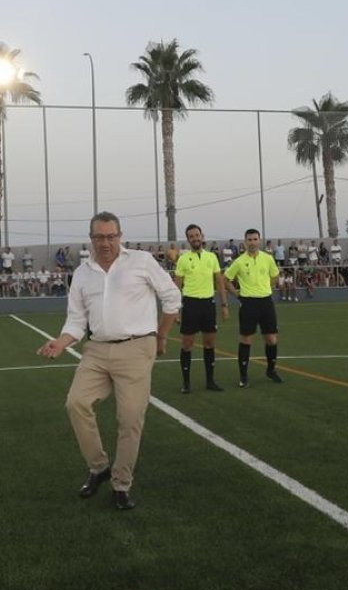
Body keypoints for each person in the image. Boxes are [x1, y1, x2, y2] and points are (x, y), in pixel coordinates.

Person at [37, 212, 180, 510]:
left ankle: (121, 484)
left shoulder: (141, 261)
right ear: (91, 239)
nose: (106, 242)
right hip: (97, 350)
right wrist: (61, 343)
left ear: (120, 235)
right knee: (76, 403)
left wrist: (161, 336)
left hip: (137, 349)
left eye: (111, 236)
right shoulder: (82, 273)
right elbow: (76, 321)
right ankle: (99, 467)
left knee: (129, 419)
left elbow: (171, 297)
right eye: (99, 237)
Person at [173, 223, 229, 393]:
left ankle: (210, 382)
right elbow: (177, 286)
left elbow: (219, 282)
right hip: (190, 304)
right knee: (187, 344)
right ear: (188, 239)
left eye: (197, 235)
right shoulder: (183, 259)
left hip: (208, 304)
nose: (195, 238)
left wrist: (224, 305)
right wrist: (176, 310)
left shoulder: (211, 257)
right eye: (191, 236)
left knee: (209, 343)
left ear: (202, 236)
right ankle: (186, 384)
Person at [223, 228, 282, 388]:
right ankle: (243, 376)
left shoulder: (267, 258)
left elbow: (275, 275)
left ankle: (271, 370)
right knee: (246, 339)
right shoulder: (239, 261)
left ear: (259, 241)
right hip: (248, 303)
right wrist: (236, 293)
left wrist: (267, 287)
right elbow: (226, 279)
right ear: (245, 242)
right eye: (249, 240)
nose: (252, 242)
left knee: (271, 339)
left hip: (266, 302)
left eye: (255, 239)